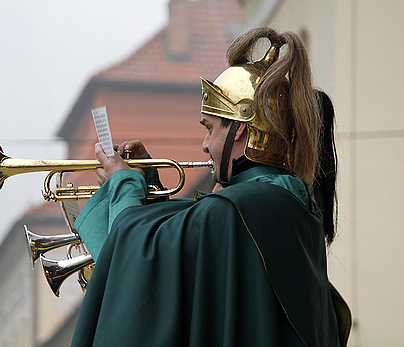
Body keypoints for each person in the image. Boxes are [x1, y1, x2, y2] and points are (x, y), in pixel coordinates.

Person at [71, 27, 351, 347]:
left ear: (240, 130)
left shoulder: (239, 208)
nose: (205, 145)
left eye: (209, 129)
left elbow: (139, 263)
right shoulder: (286, 201)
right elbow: (190, 259)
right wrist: (148, 183)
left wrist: (122, 184)